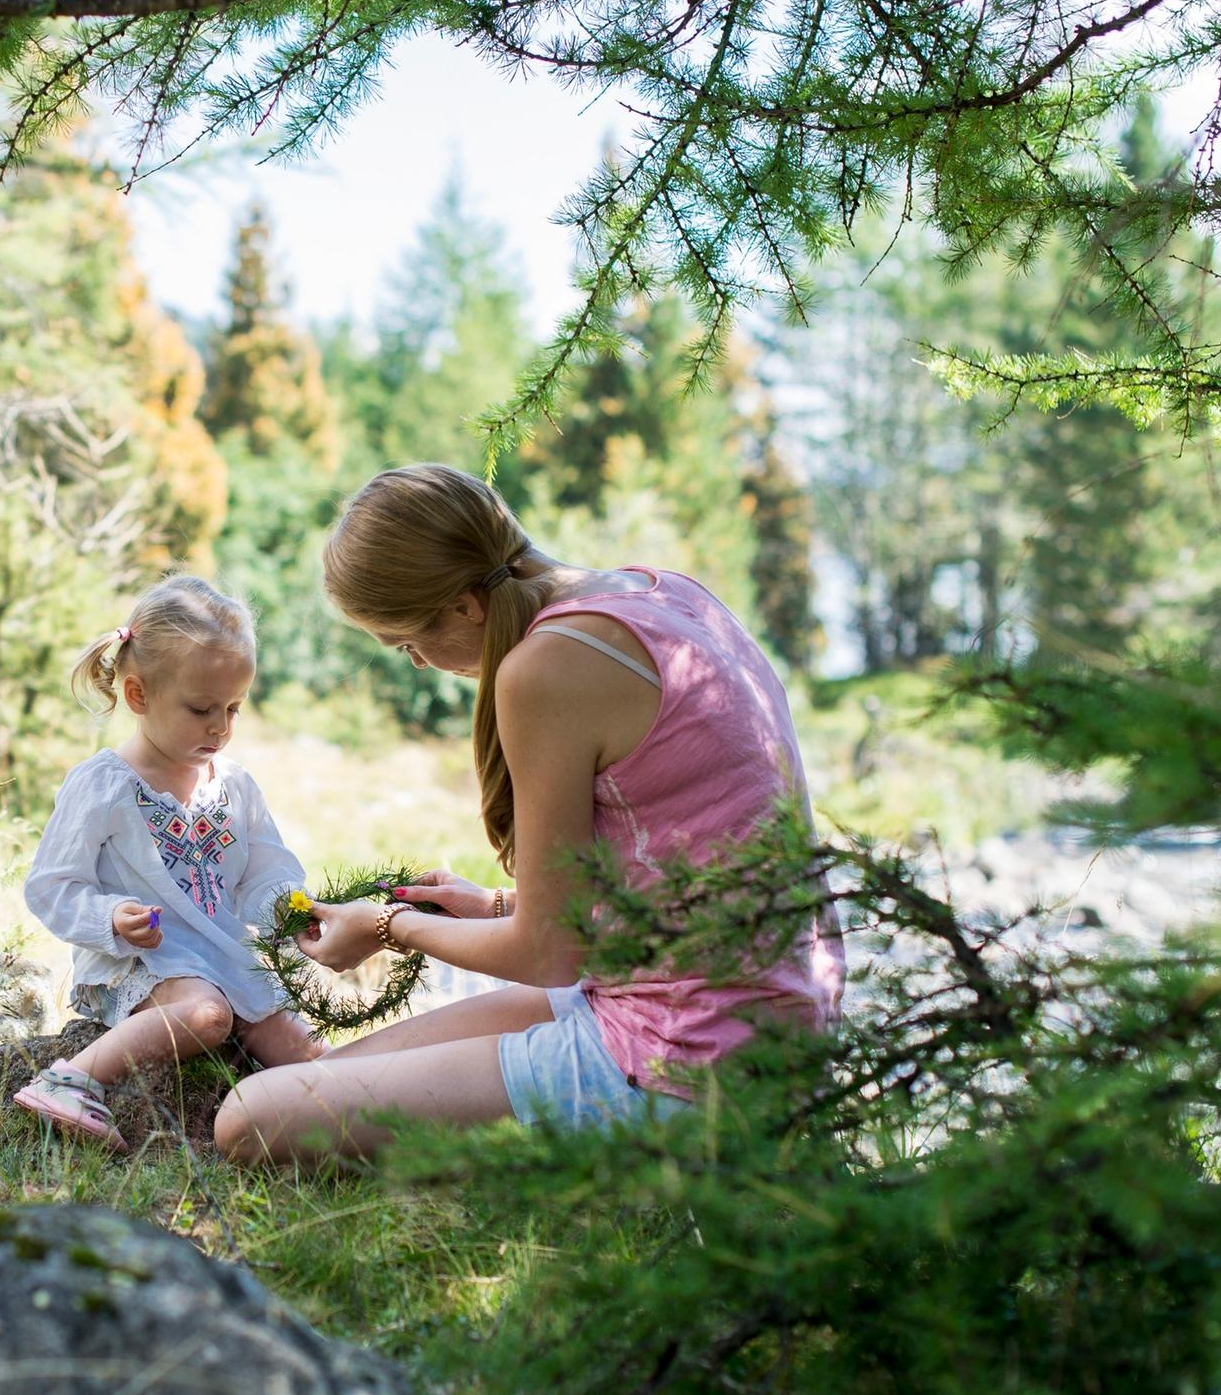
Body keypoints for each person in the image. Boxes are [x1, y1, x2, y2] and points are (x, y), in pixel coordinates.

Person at [213, 464, 843, 1166]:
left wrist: (388, 925)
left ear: (463, 606)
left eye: (407, 641)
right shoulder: (664, 593)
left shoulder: (549, 665)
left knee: (249, 1120)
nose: (419, 663)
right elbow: (680, 853)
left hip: (691, 1058)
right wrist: (496, 905)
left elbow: (548, 954)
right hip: (754, 1024)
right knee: (306, 1083)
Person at [15, 574, 324, 1149]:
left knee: (300, 1049)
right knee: (208, 1017)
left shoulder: (234, 786)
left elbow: (266, 870)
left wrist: (293, 910)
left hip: (220, 950)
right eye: (202, 708)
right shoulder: (104, 785)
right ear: (138, 696)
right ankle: (70, 1078)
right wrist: (110, 919)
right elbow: (53, 885)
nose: (221, 726)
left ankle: (342, 1122)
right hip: (143, 961)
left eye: (234, 708)